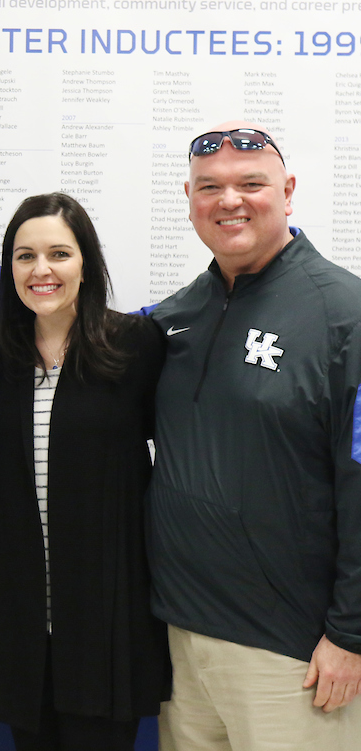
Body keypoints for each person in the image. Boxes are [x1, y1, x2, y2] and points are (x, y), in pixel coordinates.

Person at [149, 122, 361, 749]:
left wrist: (351, 634)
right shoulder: (177, 316)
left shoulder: (344, 314)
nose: (228, 200)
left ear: (288, 191)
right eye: (209, 187)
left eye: (251, 184)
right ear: (189, 199)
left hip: (294, 657)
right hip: (182, 643)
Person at [0, 192, 170, 750]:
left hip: (106, 622)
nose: (41, 270)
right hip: (23, 623)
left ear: (86, 264)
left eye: (59, 254)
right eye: (24, 256)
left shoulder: (134, 347)